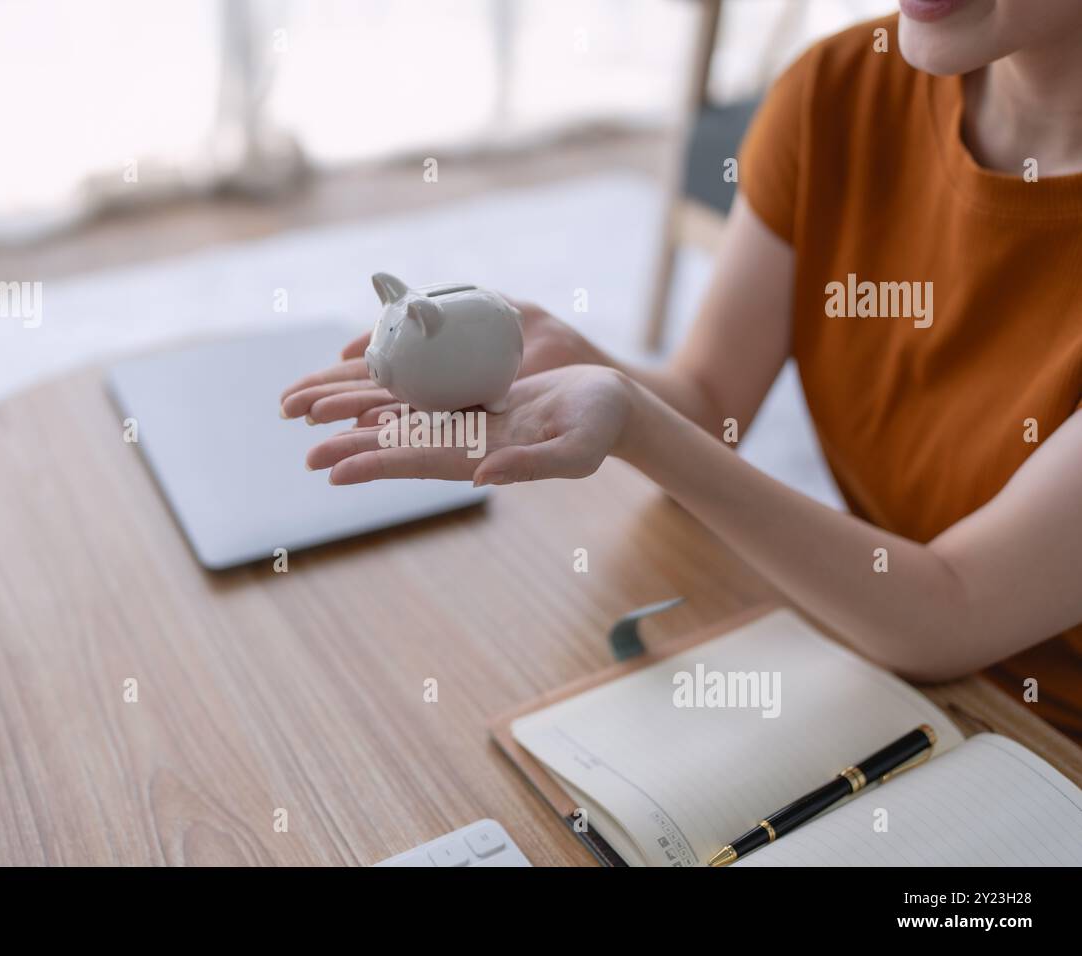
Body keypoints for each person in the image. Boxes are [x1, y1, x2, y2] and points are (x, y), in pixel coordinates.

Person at [280, 1, 1082, 743]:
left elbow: (952, 613)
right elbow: (710, 401)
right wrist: (590, 368)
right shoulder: (841, 90)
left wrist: (637, 424)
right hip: (870, 660)